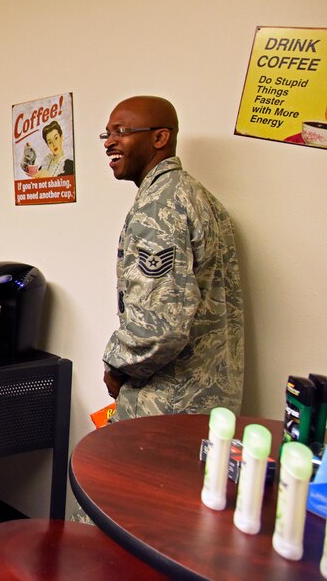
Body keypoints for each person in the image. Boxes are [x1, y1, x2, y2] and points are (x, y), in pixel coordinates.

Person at [101, 96, 244, 420]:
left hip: (166, 408)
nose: (109, 142)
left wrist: (116, 365)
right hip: (211, 406)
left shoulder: (159, 207)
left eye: (121, 131)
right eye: (106, 134)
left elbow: (159, 326)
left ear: (160, 138)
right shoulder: (197, 195)